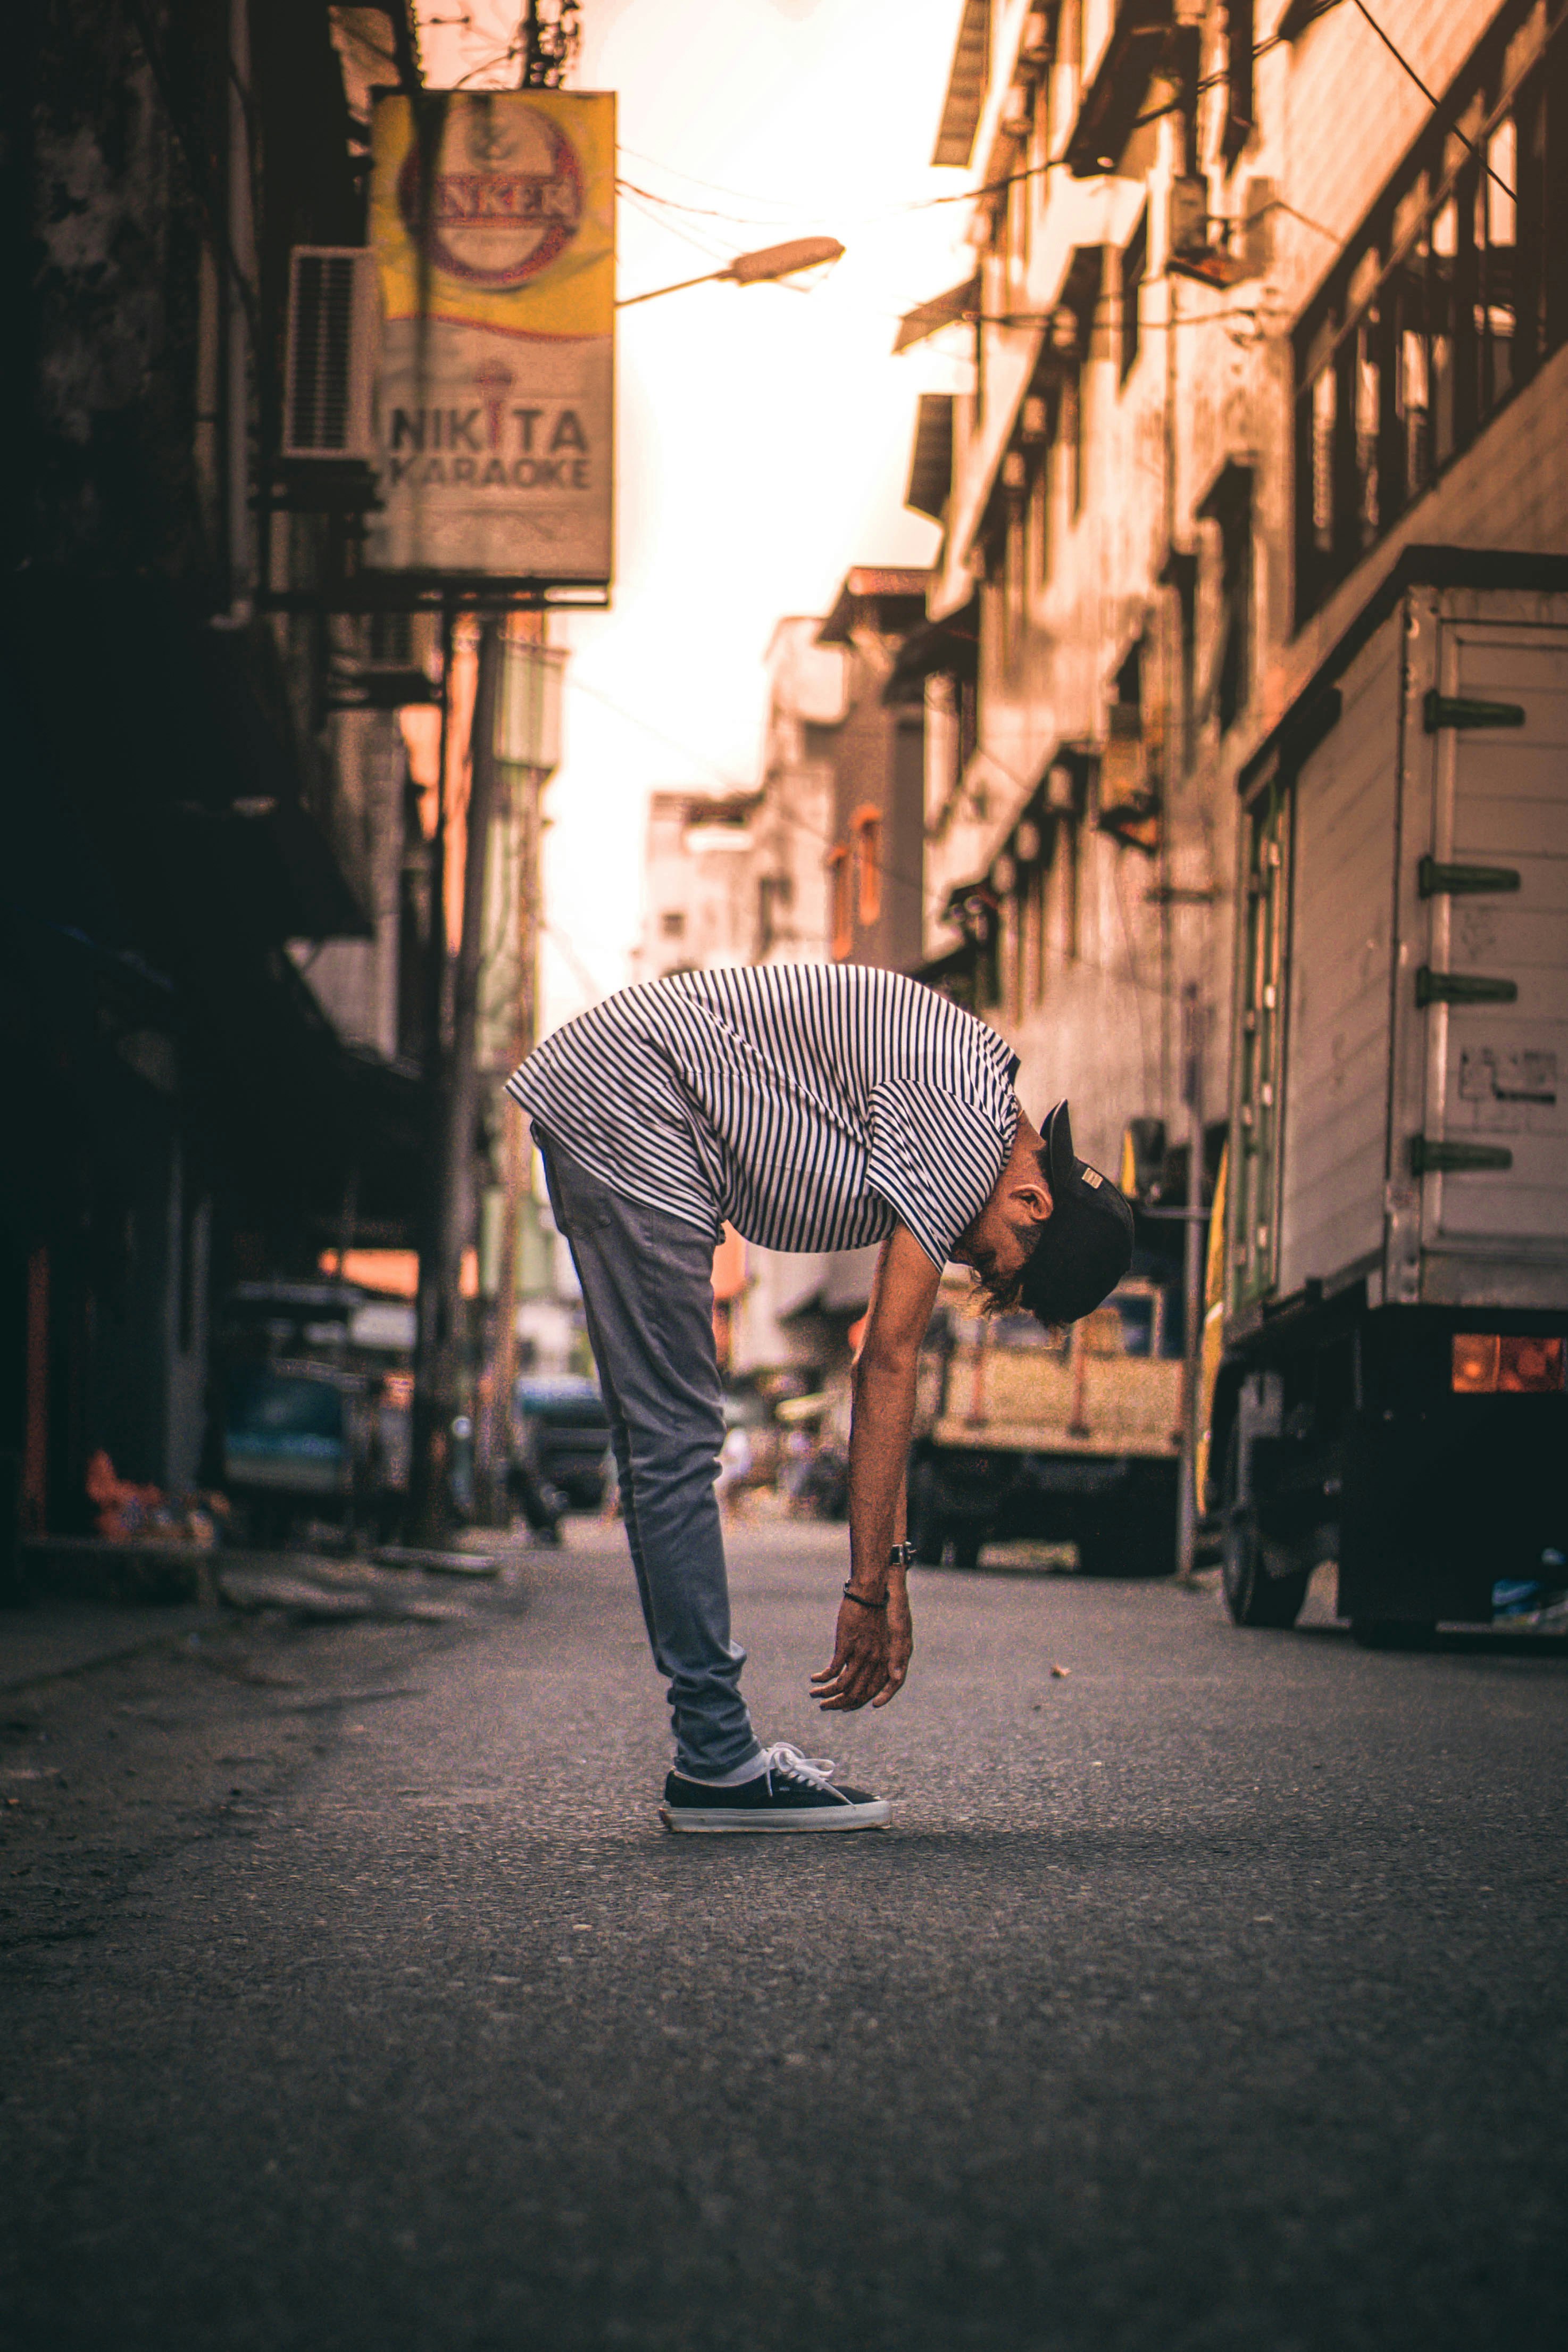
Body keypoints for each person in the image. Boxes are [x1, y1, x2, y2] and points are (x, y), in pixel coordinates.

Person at [507, 961, 1132, 1835]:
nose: (967, 1262)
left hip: (621, 1093)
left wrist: (889, 1574)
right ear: (1033, 1199)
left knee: (662, 1440)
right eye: (993, 1261)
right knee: (676, 1442)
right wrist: (868, 1595)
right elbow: (887, 1364)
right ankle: (718, 1758)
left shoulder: (968, 1094)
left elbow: (880, 1362)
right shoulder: (970, 1126)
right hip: (638, 1103)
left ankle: (713, 1752)